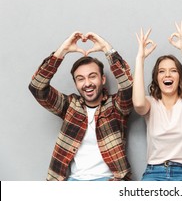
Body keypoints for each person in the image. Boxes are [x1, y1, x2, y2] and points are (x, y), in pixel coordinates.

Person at [28, 31, 133, 181]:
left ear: (102, 79)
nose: (87, 83)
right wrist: (62, 51)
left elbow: (128, 88)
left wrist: (106, 48)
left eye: (92, 76)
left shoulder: (116, 106)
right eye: (80, 79)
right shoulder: (70, 106)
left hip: (110, 182)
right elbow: (37, 87)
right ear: (76, 84)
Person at [133, 22, 182, 181]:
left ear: (180, 77)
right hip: (154, 172)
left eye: (173, 71)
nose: (167, 75)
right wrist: (140, 58)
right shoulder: (150, 103)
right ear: (156, 78)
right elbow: (138, 104)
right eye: (161, 71)